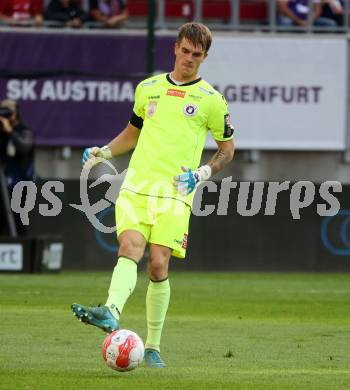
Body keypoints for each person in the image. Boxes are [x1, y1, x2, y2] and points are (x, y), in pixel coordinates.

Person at [71, 22, 235, 368]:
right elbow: (132, 133)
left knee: (158, 263)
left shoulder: (212, 101)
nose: (189, 59)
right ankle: (111, 311)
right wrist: (103, 152)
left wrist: (202, 173)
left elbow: (227, 150)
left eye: (197, 55)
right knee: (130, 247)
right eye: (185, 51)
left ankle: (154, 346)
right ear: (175, 48)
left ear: (205, 57)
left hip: (176, 191)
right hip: (136, 185)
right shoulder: (148, 89)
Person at [0, 99, 35, 236]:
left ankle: (21, 250)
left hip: (21, 183)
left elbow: (24, 146)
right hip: (3, 183)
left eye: (9, 113)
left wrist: (10, 132)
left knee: (18, 220)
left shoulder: (24, 130)